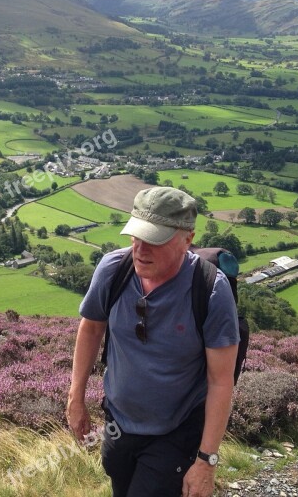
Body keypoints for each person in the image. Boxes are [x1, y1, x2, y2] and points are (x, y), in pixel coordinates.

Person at [67, 186, 240, 497]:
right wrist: (75, 398)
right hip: (119, 424)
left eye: (155, 240)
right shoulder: (112, 270)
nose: (141, 249)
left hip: (176, 430)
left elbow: (220, 381)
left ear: (187, 238)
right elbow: (91, 328)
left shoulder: (211, 290)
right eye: (136, 236)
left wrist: (206, 462)